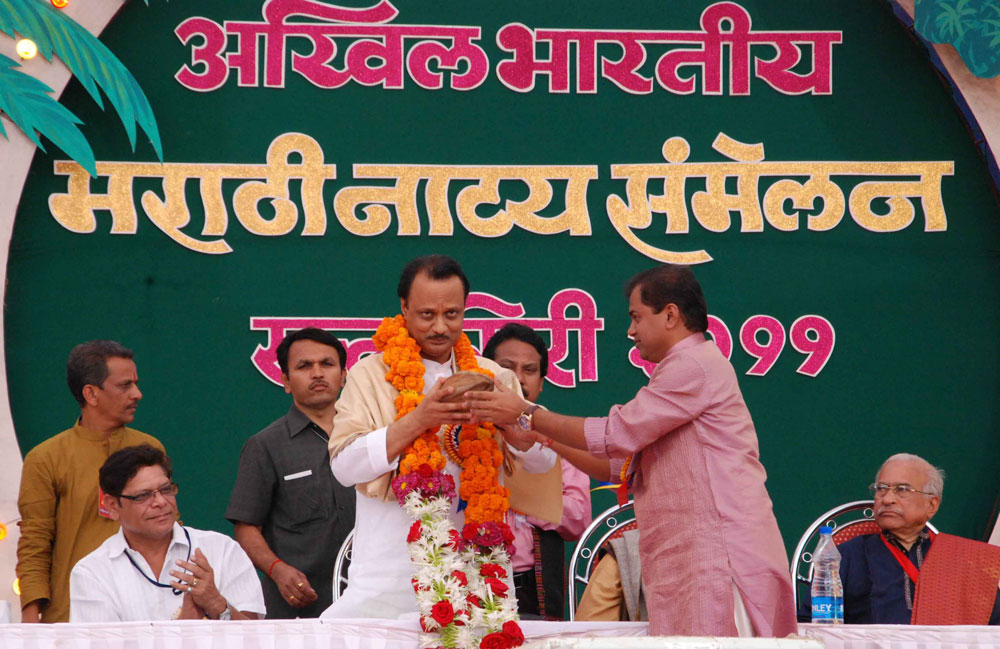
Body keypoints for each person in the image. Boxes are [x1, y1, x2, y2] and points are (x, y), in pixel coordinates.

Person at [468, 264, 797, 637]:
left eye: (636, 317)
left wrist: (527, 413)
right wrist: (543, 436)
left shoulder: (693, 365)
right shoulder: (679, 370)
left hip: (718, 556)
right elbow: (618, 465)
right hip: (694, 558)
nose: (630, 331)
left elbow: (616, 434)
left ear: (670, 315)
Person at [323, 255, 556, 619]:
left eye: (452, 314)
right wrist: (419, 420)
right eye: (427, 314)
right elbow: (343, 467)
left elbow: (544, 463)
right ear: (404, 308)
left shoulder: (492, 376)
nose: (440, 327)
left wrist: (515, 433)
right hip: (389, 579)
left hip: (479, 575)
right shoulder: (369, 375)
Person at [16, 340, 164, 623]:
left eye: (136, 384)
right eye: (125, 385)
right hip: (73, 618)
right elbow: (35, 543)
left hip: (147, 616)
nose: (137, 394)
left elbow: (168, 528)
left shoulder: (148, 449)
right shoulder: (47, 458)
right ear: (91, 394)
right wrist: (31, 618)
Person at [226, 328, 356, 618]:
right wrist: (277, 570)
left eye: (327, 364)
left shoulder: (368, 436)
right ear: (285, 381)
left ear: (344, 375)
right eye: (304, 366)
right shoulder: (265, 445)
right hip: (299, 606)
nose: (317, 373)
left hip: (368, 600)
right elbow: (246, 527)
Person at [70, 445, 265, 621]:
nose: (161, 502)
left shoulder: (221, 549)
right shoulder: (93, 572)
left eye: (166, 490)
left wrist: (216, 604)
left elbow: (257, 637)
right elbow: (100, 643)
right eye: (143, 496)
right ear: (112, 506)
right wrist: (181, 631)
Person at [482, 323, 592, 619]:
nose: (519, 378)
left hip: (533, 592)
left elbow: (578, 517)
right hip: (468, 585)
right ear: (487, 373)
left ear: (541, 383)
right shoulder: (460, 436)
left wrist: (524, 499)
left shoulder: (558, 438)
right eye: (507, 367)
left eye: (529, 370)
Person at [830, 453, 1000, 625]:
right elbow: (817, 625)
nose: (887, 499)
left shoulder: (968, 560)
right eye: (881, 488)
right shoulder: (846, 556)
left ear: (931, 505)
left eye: (902, 489)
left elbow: (994, 628)